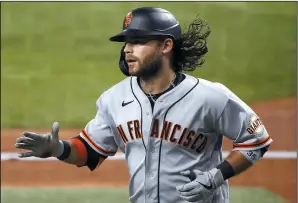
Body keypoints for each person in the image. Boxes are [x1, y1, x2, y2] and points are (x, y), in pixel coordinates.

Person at [15, 7, 273, 203]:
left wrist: (216, 177)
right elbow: (90, 150)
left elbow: (256, 140)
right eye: (126, 42)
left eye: (138, 42)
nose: (128, 49)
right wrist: (58, 148)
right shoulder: (113, 99)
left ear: (166, 45)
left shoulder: (209, 97)